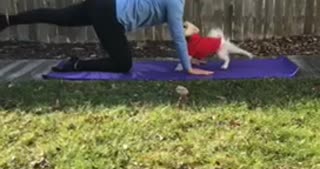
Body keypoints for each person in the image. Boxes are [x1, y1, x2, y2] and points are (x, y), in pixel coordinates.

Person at [0, 0, 213, 75]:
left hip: (101, 4)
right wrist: (188, 67)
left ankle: (8, 20)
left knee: (59, 16)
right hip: (108, 14)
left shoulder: (173, 4)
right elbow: (177, 34)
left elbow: (178, 27)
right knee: (123, 64)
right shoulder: (174, 3)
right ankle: (76, 65)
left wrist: (188, 53)